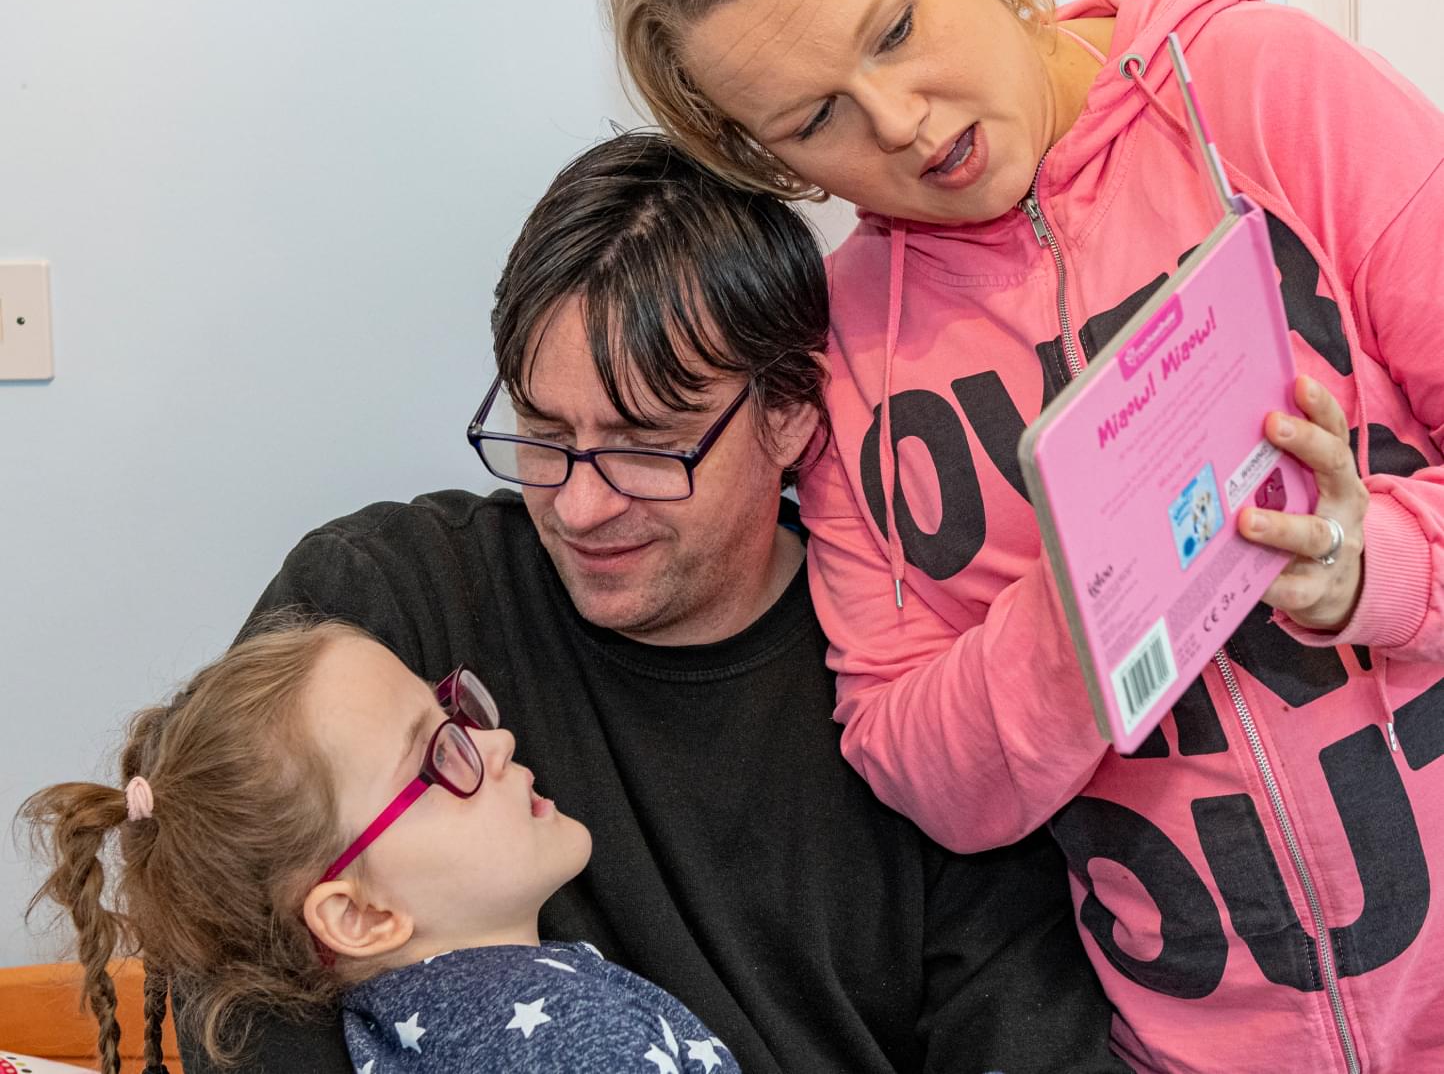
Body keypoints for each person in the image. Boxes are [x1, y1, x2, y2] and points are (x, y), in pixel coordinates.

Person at [604, 0, 1444, 1074]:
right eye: (812, 119)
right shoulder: (846, 355)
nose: (892, 119)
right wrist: (1085, 603)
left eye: (893, 28)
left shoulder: (1263, 94)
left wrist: (1372, 561)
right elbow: (914, 765)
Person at [178, 132, 1125, 1073]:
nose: (582, 506)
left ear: (791, 413)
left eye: (648, 446)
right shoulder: (381, 604)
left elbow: (1029, 1038)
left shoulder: (928, 700)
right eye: (544, 433)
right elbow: (225, 959)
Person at [23, 617, 741, 1073]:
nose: (495, 741)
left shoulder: (416, 1027)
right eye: (436, 759)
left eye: (451, 712)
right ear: (359, 916)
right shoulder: (560, 1039)